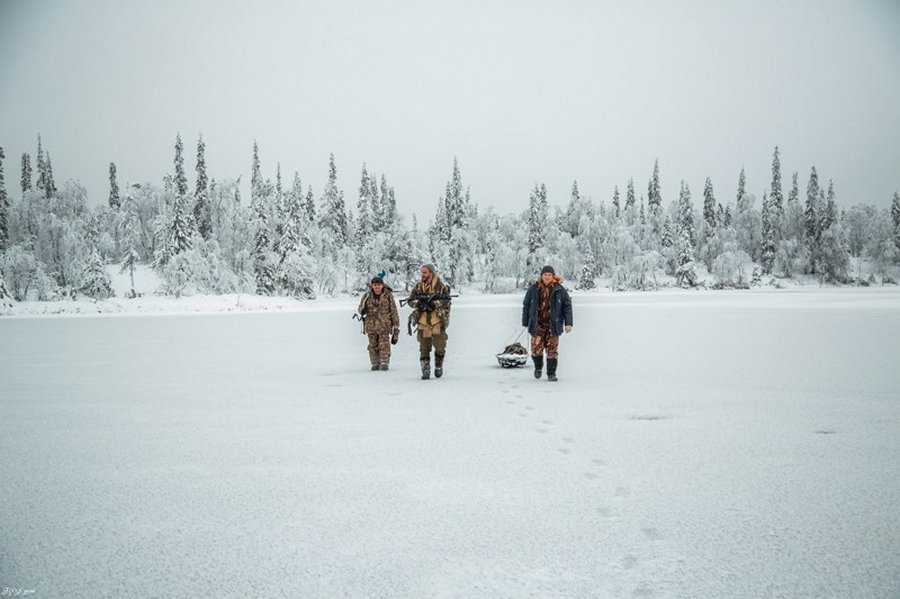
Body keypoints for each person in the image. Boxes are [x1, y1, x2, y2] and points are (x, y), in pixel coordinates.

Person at [522, 265, 573, 382]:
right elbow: (526, 305)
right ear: (541, 276)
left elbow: (567, 306)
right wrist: (525, 321)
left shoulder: (560, 289)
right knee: (536, 350)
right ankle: (538, 368)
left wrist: (568, 323)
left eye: (549, 275)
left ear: (553, 276)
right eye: (545, 275)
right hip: (537, 324)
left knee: (552, 351)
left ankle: (551, 374)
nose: (547, 277)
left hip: (553, 325)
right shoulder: (533, 288)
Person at [407, 264, 452, 380]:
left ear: (431, 273)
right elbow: (410, 301)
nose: (422, 275)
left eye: (425, 273)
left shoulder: (441, 287)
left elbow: (447, 301)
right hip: (423, 322)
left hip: (437, 321)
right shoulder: (418, 287)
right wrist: (419, 304)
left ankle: (438, 365)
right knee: (424, 348)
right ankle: (425, 371)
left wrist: (434, 304)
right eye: (422, 272)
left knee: (440, 346)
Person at [357, 276, 400, 371]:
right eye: (375, 285)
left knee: (384, 344)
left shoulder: (388, 295)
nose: (377, 287)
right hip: (371, 325)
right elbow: (360, 309)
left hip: (384, 325)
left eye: (379, 285)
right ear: (372, 286)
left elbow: (393, 311)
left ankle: (384, 362)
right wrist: (363, 310)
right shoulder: (367, 296)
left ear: (382, 285)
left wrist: (396, 326)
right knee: (372, 345)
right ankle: (374, 363)